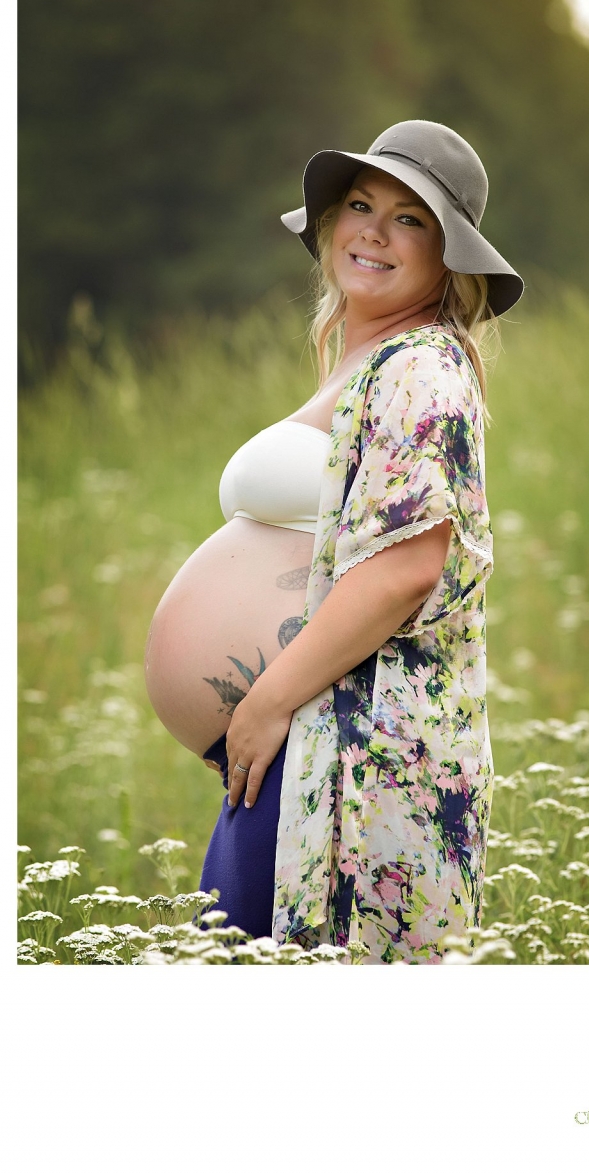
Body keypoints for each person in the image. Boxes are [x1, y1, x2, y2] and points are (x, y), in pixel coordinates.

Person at [145, 118, 524, 964]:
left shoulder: (424, 365)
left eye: (410, 218)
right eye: (360, 205)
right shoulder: (368, 364)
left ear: (448, 257)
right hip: (296, 746)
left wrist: (270, 699)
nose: (375, 231)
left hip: (344, 755)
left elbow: (406, 571)